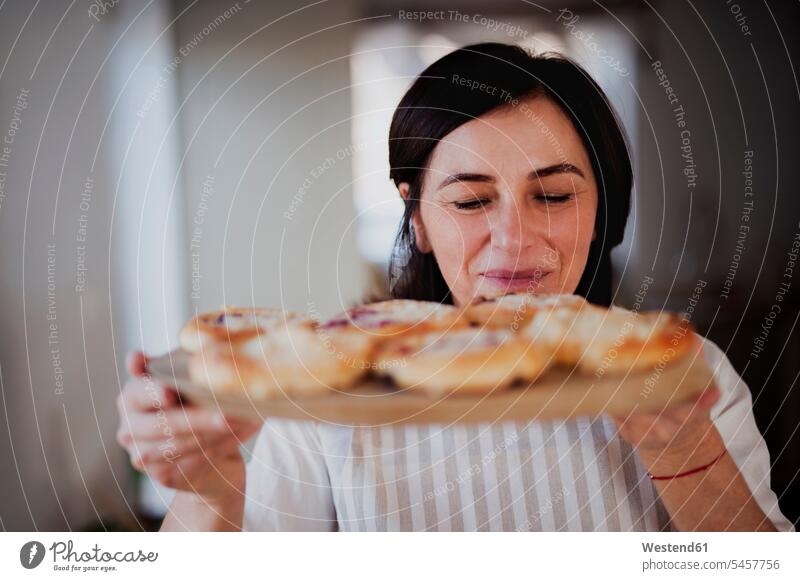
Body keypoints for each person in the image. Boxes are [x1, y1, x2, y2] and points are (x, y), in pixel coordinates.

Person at [117, 42, 793, 531]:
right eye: (470, 202)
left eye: (553, 194)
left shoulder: (683, 373)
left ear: (603, 213)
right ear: (419, 220)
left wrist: (686, 453)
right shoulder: (327, 390)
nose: (515, 238)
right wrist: (209, 489)